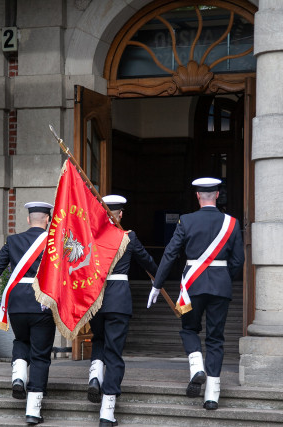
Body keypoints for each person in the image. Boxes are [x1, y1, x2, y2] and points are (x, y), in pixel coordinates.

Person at [147, 178, 244, 410]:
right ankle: (212, 395)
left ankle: (196, 366)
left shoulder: (187, 220)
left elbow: (170, 254)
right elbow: (238, 261)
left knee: (189, 328)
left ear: (198, 196)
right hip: (220, 287)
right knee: (216, 338)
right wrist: (222, 278)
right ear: (218, 195)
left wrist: (157, 285)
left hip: (192, 287)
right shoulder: (232, 222)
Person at [0, 202, 55, 425]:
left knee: (21, 340)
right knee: (40, 354)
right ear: (47, 219)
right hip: (41, 302)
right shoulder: (53, 242)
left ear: (28, 219)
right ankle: (33, 410)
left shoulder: (13, 241)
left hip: (16, 303)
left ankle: (18, 376)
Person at [87, 195, 158, 427]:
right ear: (121, 214)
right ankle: (107, 412)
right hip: (118, 301)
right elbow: (146, 261)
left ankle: (95, 377)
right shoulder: (128, 237)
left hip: (95, 299)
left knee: (99, 339)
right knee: (114, 353)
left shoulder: (92, 237)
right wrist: (160, 276)